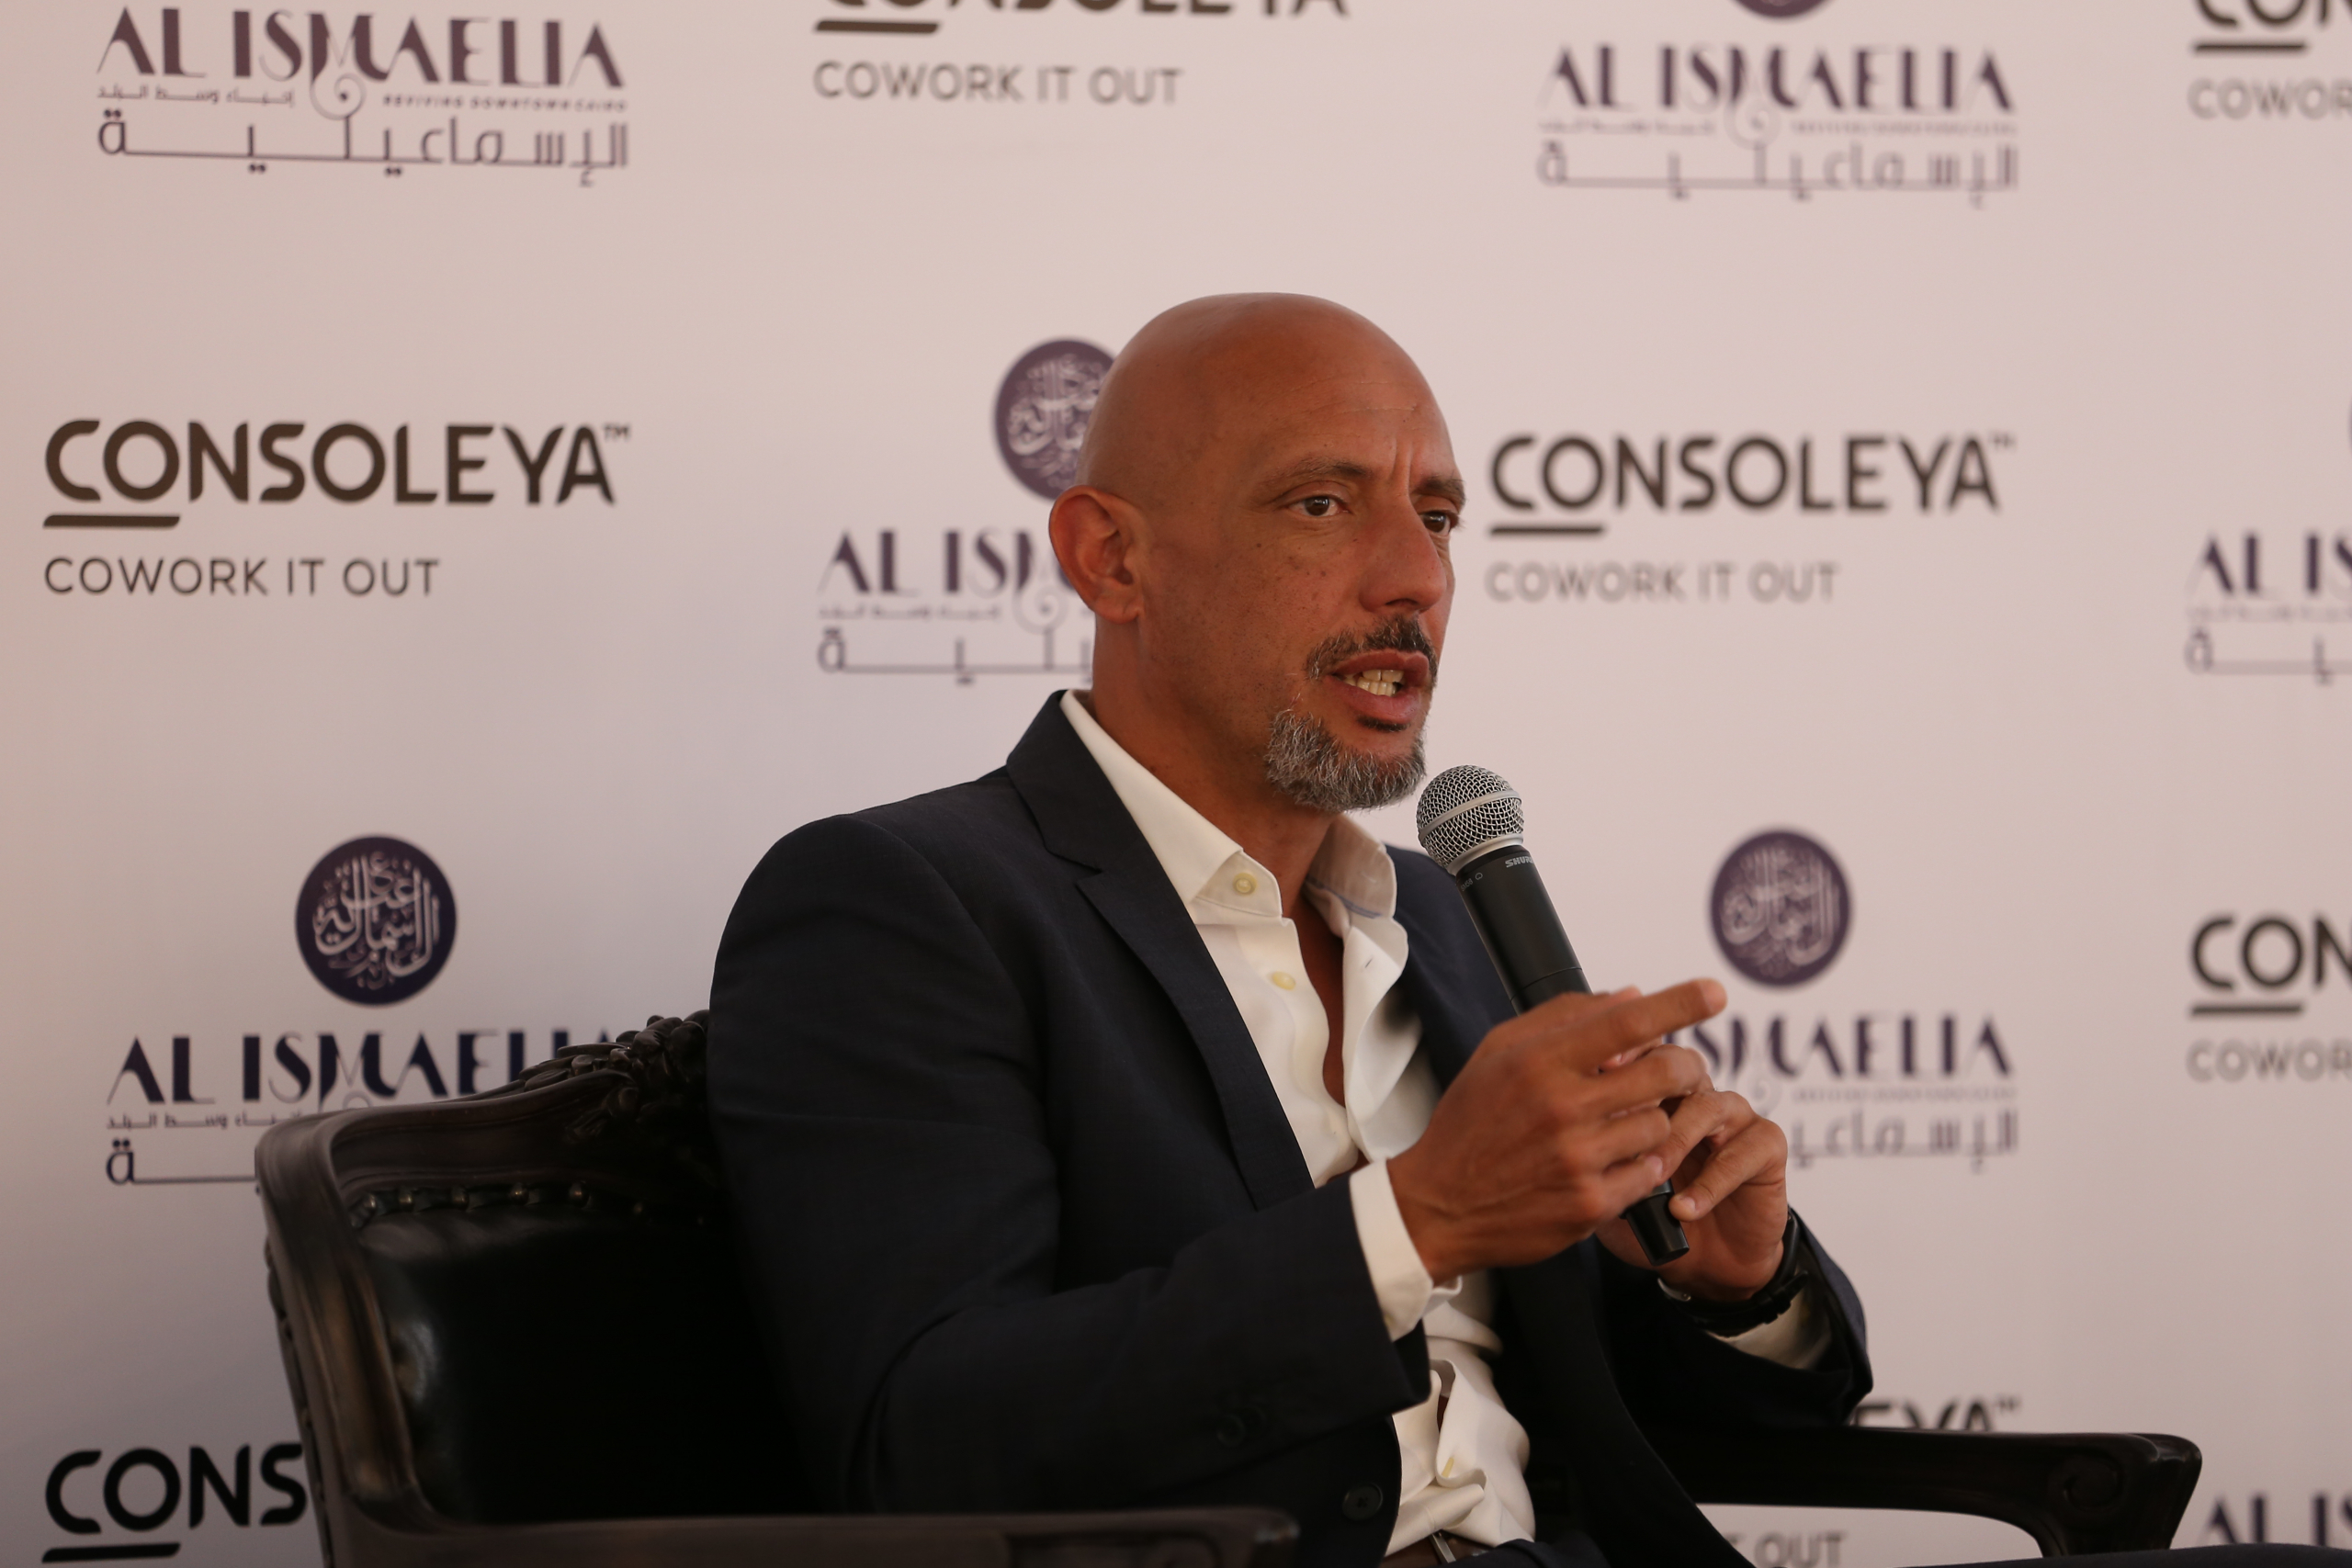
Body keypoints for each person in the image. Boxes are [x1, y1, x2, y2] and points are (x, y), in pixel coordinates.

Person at [707, 295, 2340, 1568]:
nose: (1412, 577)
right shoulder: (903, 903)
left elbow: (1690, 1414)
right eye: (1321, 505)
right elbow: (923, 1447)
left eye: (1438, 515)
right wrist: (1418, 1219)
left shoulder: (1438, 912)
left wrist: (1732, 1285)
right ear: (1110, 557)